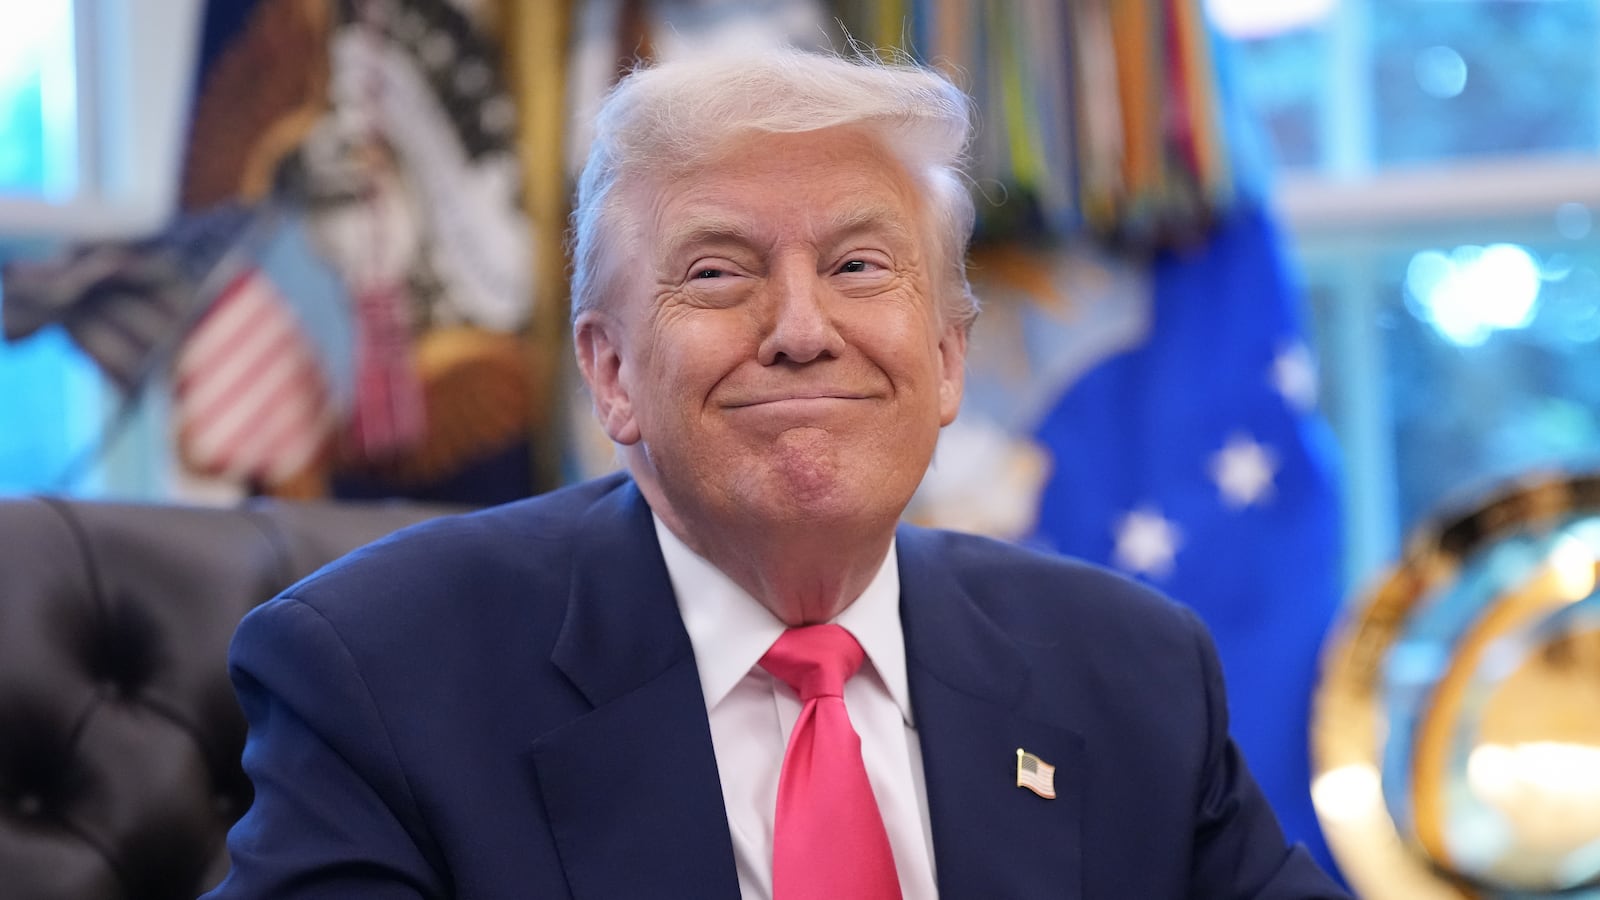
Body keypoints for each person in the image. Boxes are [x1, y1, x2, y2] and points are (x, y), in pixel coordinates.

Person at [204, 48, 1350, 899]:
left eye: (858, 265)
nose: (802, 328)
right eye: (716, 273)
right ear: (609, 373)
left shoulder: (1129, 673)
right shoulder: (380, 677)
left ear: (947, 359)